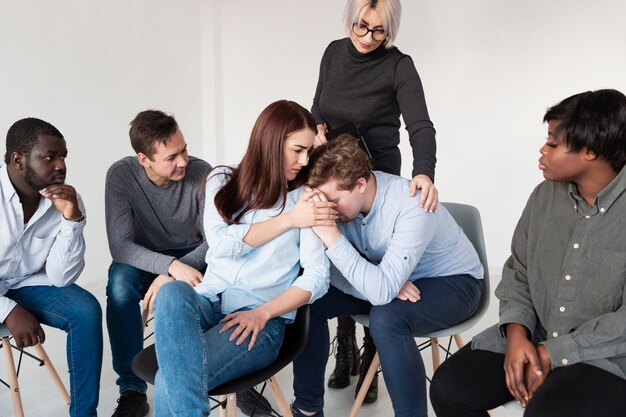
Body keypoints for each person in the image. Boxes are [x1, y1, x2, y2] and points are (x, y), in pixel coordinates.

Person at [429, 89, 626, 417]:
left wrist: (551, 352)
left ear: (591, 150)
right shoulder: (544, 197)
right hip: (536, 335)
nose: (542, 149)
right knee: (450, 389)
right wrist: (518, 338)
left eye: (552, 142)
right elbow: (518, 271)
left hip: (606, 356)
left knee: (546, 411)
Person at [151, 100, 331, 416]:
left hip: (258, 321)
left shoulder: (307, 198)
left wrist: (263, 313)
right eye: (297, 150)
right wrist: (289, 220)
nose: (304, 160)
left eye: (308, 151)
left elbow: (317, 277)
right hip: (207, 301)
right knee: (172, 292)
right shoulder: (222, 180)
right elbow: (219, 247)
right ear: (271, 143)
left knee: (170, 378)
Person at [291, 135, 484, 417]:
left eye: (333, 200)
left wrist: (332, 237)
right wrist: (379, 284)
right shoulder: (338, 205)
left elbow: (378, 290)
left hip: (454, 282)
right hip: (385, 279)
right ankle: (308, 410)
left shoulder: (412, 203)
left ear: (359, 184)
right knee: (309, 297)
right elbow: (332, 274)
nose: (326, 210)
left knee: (387, 318)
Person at [311, 0, 440, 399]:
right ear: (350, 19)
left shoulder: (399, 65)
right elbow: (317, 107)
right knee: (334, 248)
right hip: (332, 168)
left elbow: (421, 125)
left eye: (379, 30)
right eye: (361, 27)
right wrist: (315, 127)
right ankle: (345, 341)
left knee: (373, 256)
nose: (368, 38)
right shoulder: (333, 53)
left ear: (391, 30)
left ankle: (372, 353)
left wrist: (424, 172)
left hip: (373, 173)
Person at [105, 110, 211, 417]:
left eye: (184, 150)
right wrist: (169, 266)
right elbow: (121, 246)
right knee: (120, 286)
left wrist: (178, 266)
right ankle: (132, 389)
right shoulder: (121, 176)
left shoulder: (202, 172)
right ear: (143, 159)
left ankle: (232, 378)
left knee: (224, 277)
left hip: (193, 253)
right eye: (171, 157)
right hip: (143, 256)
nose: (183, 161)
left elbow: (215, 241)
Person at [1, 117, 102, 417]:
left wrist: (72, 219)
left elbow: (61, 277)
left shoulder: (66, 200)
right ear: (18, 160)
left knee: (86, 311)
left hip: (27, 283)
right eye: (50, 157)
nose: (61, 166)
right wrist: (7, 310)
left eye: (63, 157)